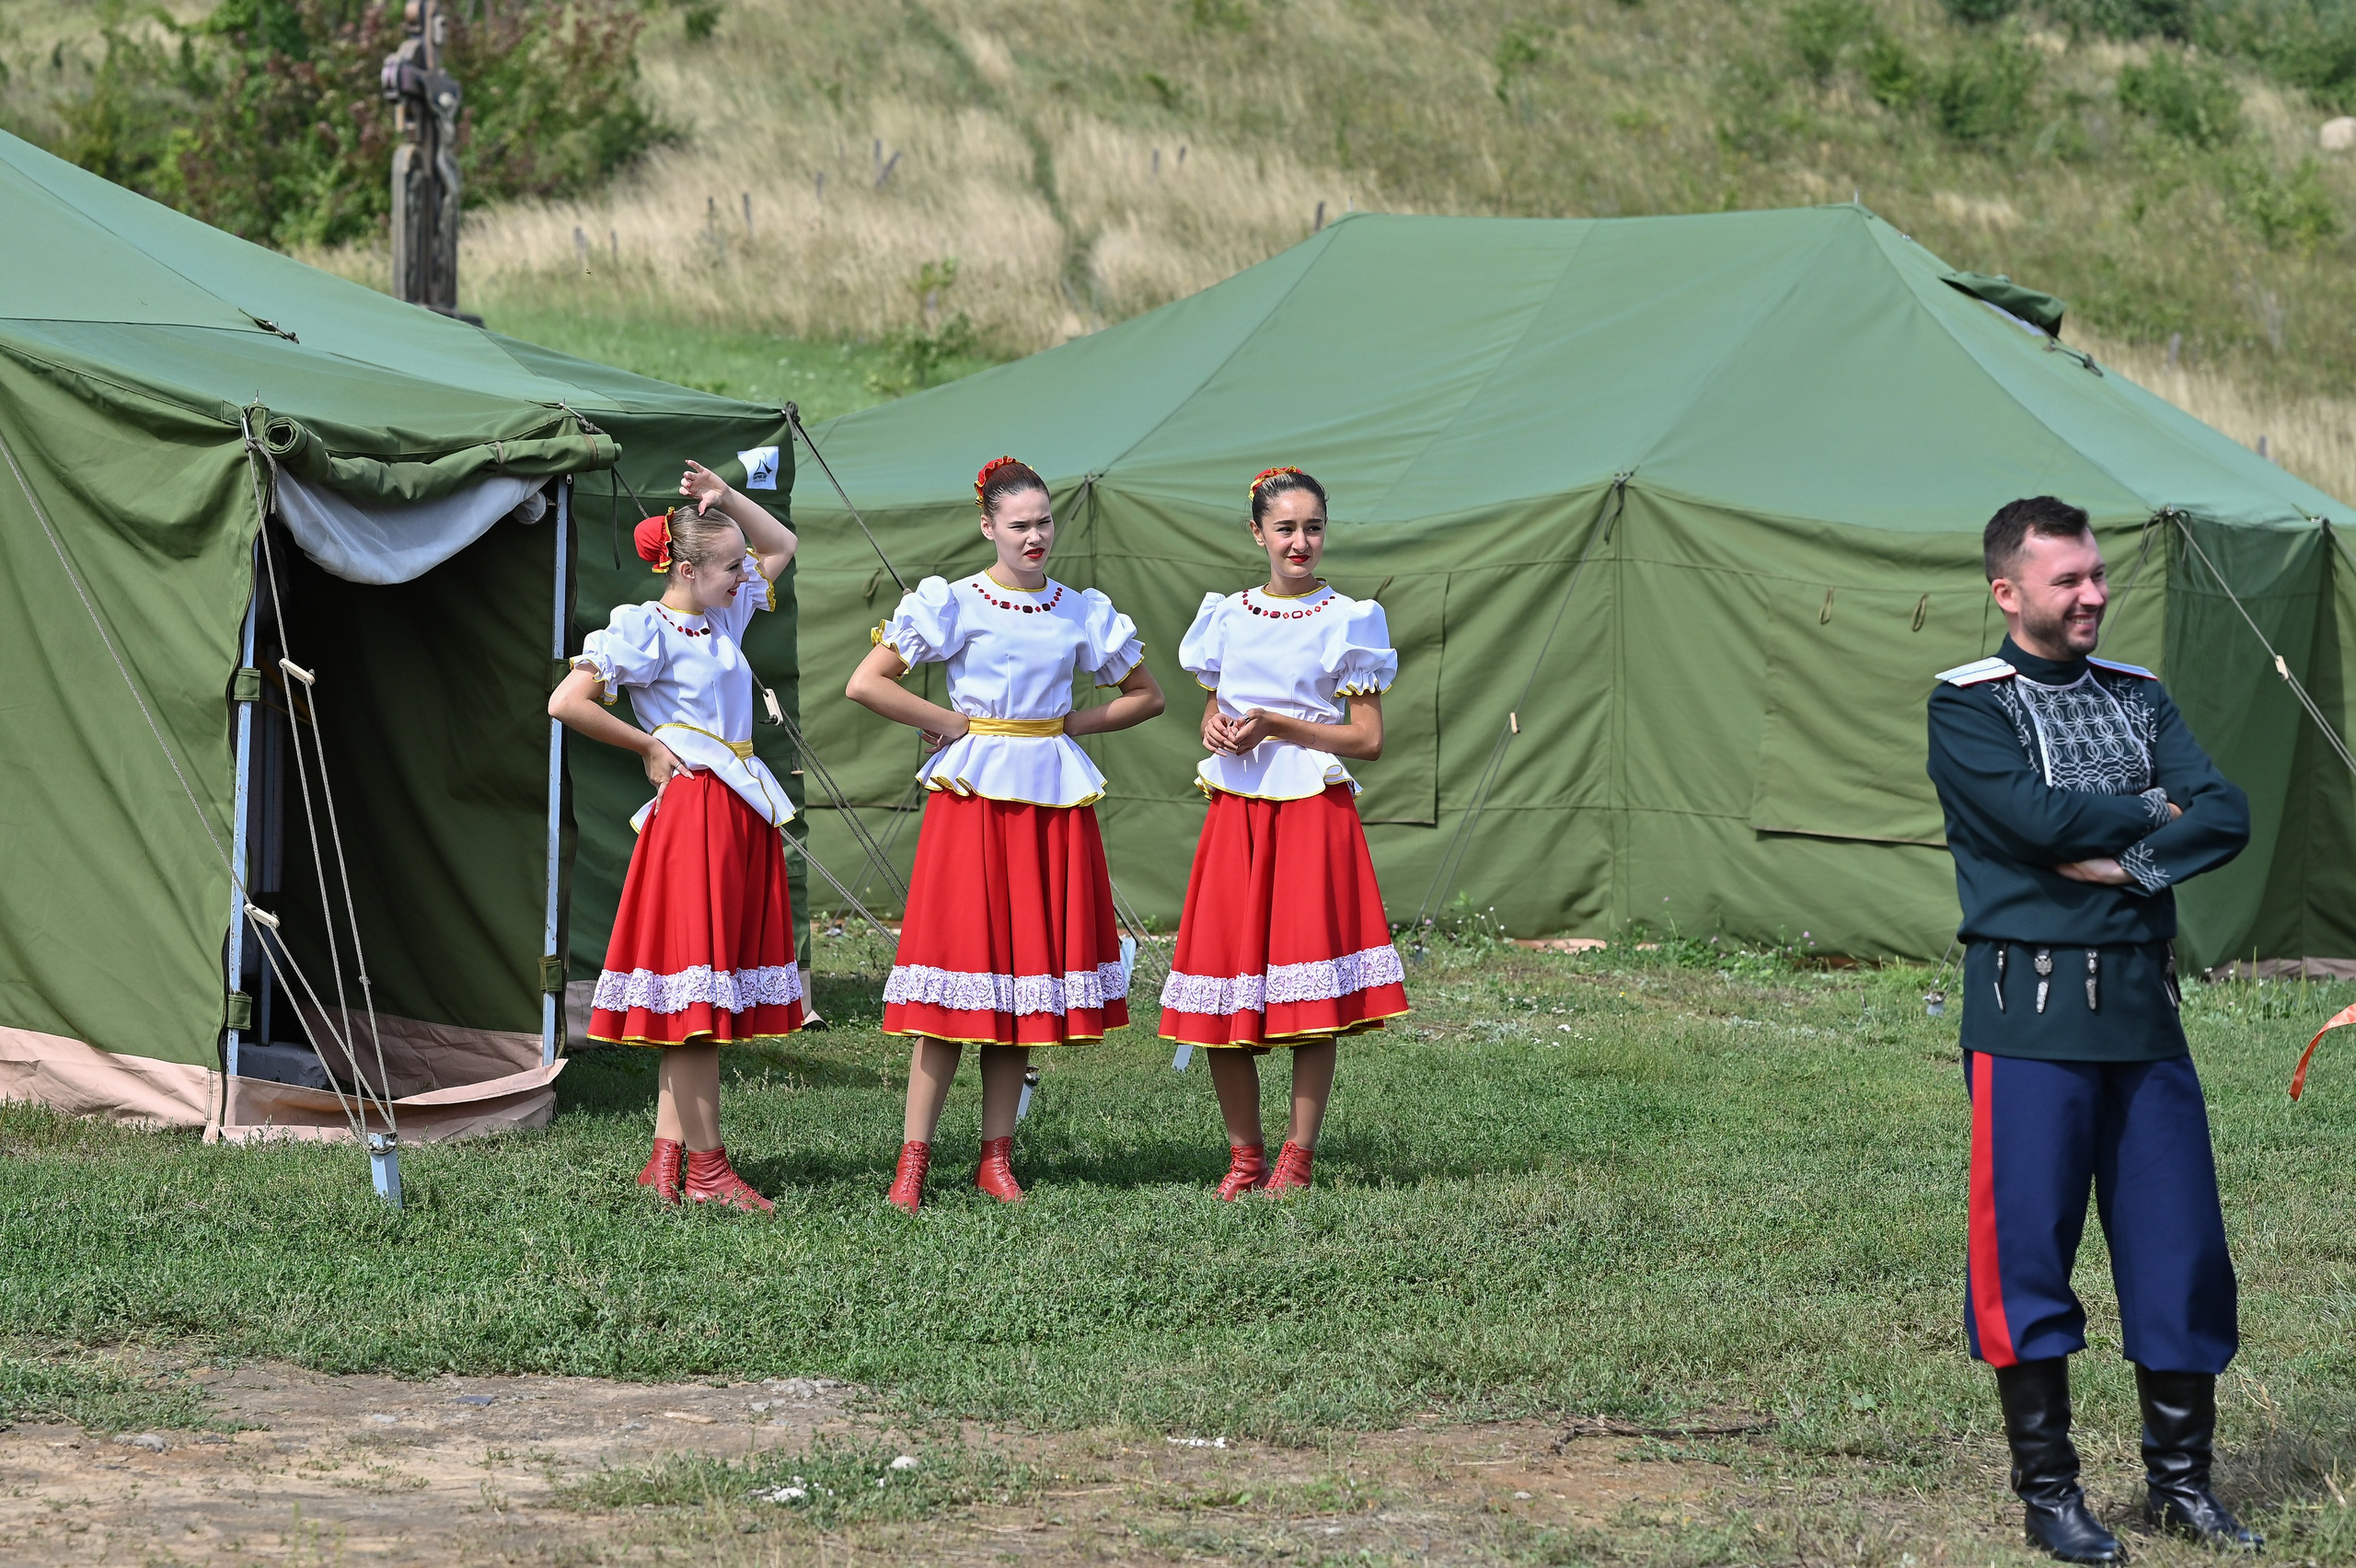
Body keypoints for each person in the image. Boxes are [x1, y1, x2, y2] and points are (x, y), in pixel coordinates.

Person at [1926, 496, 2255, 1563]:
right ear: (2006, 592)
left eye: (2098, 576)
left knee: (2178, 1249)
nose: (2092, 596)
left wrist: (2135, 852)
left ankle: (2179, 1484)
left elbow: (2226, 811)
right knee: (2026, 1252)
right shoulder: (1966, 706)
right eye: (2067, 580)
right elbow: (2030, 819)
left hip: (2143, 1016)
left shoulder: (2141, 696)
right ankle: (2050, 1494)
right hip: (2027, 1018)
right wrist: (2154, 809)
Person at [845, 456, 1165, 1211]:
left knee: (1019, 984)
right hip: (973, 797)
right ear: (987, 525)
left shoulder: (1080, 609)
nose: (1034, 536)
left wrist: (1072, 725)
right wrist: (948, 723)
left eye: (1043, 522)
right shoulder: (954, 602)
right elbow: (867, 682)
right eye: (1018, 524)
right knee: (953, 981)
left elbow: (1146, 697)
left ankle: (996, 1160)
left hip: (1049, 797)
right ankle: (912, 1164)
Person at [549, 461, 802, 1213]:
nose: (743, 575)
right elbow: (567, 701)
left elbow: (781, 544)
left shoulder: (719, 618)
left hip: (733, 814)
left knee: (699, 992)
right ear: (686, 569)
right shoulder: (649, 629)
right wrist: (647, 747)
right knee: (695, 1001)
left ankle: (667, 1160)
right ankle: (710, 1170)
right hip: (695, 814)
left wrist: (727, 501)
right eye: (728, 567)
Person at [1160, 467, 1408, 1198]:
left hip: (1311, 812)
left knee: (1310, 988)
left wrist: (1275, 724)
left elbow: (1365, 740)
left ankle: (1296, 1160)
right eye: (1286, 528)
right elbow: (1215, 706)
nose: (1301, 542)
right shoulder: (1227, 616)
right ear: (1257, 532)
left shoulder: (1350, 617)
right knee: (1219, 985)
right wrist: (1217, 722)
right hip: (1238, 811)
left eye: (1313, 528)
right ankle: (1244, 1158)